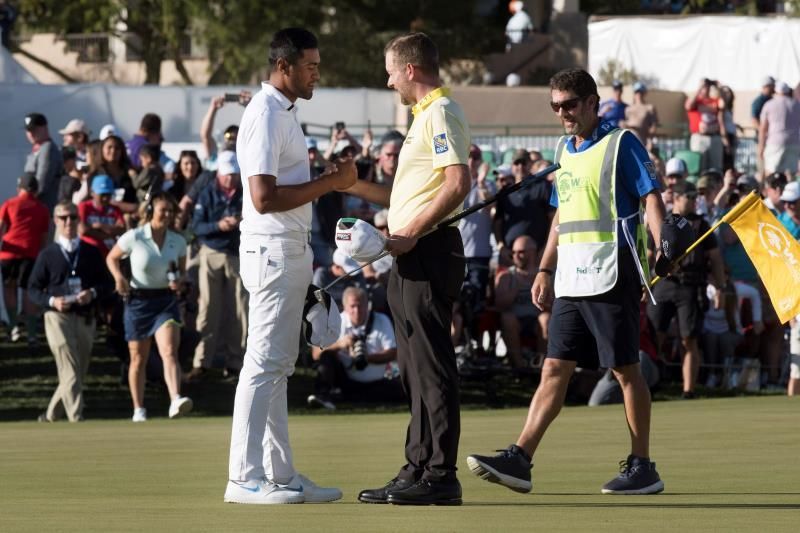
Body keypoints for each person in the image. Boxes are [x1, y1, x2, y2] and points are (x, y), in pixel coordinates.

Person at [467, 68, 667, 496]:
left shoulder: (622, 142)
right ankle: (520, 457)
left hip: (611, 271)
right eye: (555, 106)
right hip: (572, 278)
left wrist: (661, 243)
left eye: (569, 105)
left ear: (592, 102)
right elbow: (562, 214)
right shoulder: (563, 148)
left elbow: (650, 195)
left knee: (625, 370)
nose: (562, 113)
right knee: (554, 367)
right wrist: (544, 268)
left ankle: (642, 465)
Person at [224, 27, 356, 505]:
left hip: (286, 248)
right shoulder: (265, 114)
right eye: (309, 66)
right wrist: (329, 182)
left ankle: (280, 475)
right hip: (272, 249)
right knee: (263, 364)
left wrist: (324, 180)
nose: (316, 73)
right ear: (284, 66)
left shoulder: (281, 112)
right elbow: (263, 197)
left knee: (277, 366)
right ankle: (243, 477)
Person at [344, 32, 471, 506]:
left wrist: (413, 232)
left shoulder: (441, 112)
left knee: (431, 365)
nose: (388, 80)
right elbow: (404, 199)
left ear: (411, 70)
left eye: (391, 71)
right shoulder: (423, 117)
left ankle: (440, 475)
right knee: (412, 369)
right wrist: (352, 185)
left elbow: (458, 183)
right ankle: (417, 466)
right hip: (410, 252)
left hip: (429, 249)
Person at [106, 192, 193, 423]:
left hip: (165, 300)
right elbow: (112, 258)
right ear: (152, 211)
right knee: (138, 358)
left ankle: (175, 398)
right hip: (138, 301)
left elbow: (182, 273)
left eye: (170, 211)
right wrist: (119, 278)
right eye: (163, 210)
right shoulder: (134, 236)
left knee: (169, 350)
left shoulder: (178, 241)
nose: (167, 214)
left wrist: (179, 282)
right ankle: (139, 409)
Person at [28, 201, 113, 422]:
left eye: (73, 217)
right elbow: (33, 289)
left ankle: (51, 415)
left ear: (78, 219)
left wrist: (92, 293)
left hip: (84, 316)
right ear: (55, 221)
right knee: (69, 368)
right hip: (57, 317)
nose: (68, 222)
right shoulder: (48, 254)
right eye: (63, 218)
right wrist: (52, 301)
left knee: (78, 371)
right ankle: (76, 416)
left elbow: (107, 283)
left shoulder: (90, 252)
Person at [647, 182, 726, 398]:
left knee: (689, 339)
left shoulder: (701, 225)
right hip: (663, 282)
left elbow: (715, 258)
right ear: (676, 197)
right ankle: (649, 384)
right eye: (688, 196)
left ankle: (688, 390)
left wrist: (720, 287)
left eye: (694, 197)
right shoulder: (661, 222)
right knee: (654, 335)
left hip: (690, 285)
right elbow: (649, 255)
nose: (692, 201)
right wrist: (644, 283)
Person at [185, 152, 247, 381]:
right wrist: (218, 226)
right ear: (219, 173)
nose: (231, 178)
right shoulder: (207, 192)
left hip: (237, 255)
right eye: (227, 174)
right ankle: (201, 362)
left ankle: (236, 363)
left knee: (240, 311)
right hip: (211, 253)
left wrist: (241, 222)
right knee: (208, 309)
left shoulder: (245, 192)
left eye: (234, 174)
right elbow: (197, 227)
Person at [307, 287, 402, 410]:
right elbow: (315, 353)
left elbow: (393, 353)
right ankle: (323, 395)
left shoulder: (381, 320)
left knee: (400, 389)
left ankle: (344, 397)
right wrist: (339, 345)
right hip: (345, 379)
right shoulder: (336, 322)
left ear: (367, 305)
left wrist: (366, 358)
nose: (357, 311)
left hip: (376, 382)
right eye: (352, 306)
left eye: (360, 306)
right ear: (345, 307)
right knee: (326, 355)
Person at [0, 173, 50, 345]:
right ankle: (31, 334)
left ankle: (13, 327)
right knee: (28, 292)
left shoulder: (9, 204)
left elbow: (1, 227)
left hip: (9, 253)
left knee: (9, 288)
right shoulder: (42, 208)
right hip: (31, 254)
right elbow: (43, 237)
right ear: (35, 190)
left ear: (19, 188)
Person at [494, 235, 548, 370]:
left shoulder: (544, 275)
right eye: (513, 252)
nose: (516, 256)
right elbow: (499, 304)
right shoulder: (507, 276)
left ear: (533, 252)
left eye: (521, 252)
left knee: (546, 318)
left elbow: (553, 304)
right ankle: (519, 367)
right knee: (507, 318)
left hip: (537, 319)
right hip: (516, 320)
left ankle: (540, 365)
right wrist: (515, 290)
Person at [492, 148, 554, 265]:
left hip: (537, 255)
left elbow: (553, 218)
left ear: (530, 164)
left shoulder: (543, 187)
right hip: (509, 256)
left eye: (524, 163)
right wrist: (501, 247)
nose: (520, 167)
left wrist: (546, 248)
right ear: (512, 166)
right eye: (517, 163)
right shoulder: (504, 192)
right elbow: (497, 223)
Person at [199, 91, 251, 170]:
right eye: (229, 137)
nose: (232, 141)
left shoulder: (247, 160)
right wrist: (213, 108)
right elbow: (205, 135)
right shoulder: (216, 158)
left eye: (236, 138)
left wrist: (251, 106)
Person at [23, 112, 63, 212]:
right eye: (28, 130)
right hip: (36, 207)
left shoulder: (47, 149)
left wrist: (25, 201)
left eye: (34, 129)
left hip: (44, 208)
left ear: (45, 128)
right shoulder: (38, 149)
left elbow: (41, 184)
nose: (31, 134)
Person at [758, 81, 800, 175]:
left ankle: (772, 185)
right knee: (790, 173)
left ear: (776, 91)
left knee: (771, 171)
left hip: (775, 142)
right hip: (794, 142)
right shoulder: (797, 105)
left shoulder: (769, 104)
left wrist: (761, 147)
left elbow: (763, 129)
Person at [78, 175, 126, 257]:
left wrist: (99, 226)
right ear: (92, 192)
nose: (105, 198)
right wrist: (106, 235)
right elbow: (83, 230)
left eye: (108, 195)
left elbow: (121, 229)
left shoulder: (115, 209)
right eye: (102, 195)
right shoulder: (84, 206)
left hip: (109, 253)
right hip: (88, 251)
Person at [686, 78, 724, 173]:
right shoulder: (696, 101)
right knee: (699, 167)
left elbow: (722, 105)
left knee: (715, 169)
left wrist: (719, 88)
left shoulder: (714, 101)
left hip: (714, 137)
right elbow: (688, 105)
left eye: (707, 86)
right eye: (704, 87)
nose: (705, 88)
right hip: (699, 138)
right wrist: (699, 88)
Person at [622, 81, 658, 150]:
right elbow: (625, 125)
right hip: (630, 143)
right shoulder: (628, 109)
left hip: (644, 143)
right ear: (634, 94)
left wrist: (650, 141)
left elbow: (653, 126)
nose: (639, 94)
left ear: (644, 93)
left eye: (641, 92)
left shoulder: (650, 108)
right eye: (637, 92)